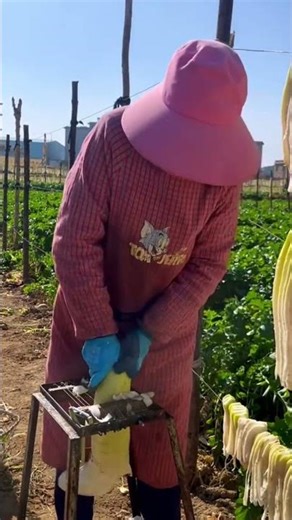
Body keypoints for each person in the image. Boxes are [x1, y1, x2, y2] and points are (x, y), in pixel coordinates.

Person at [42, 39, 260, 520]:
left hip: (162, 338)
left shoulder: (222, 180)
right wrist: (100, 334)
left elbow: (207, 265)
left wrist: (146, 333)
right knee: (79, 458)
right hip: (85, 321)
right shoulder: (110, 142)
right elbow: (73, 241)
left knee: (158, 458)